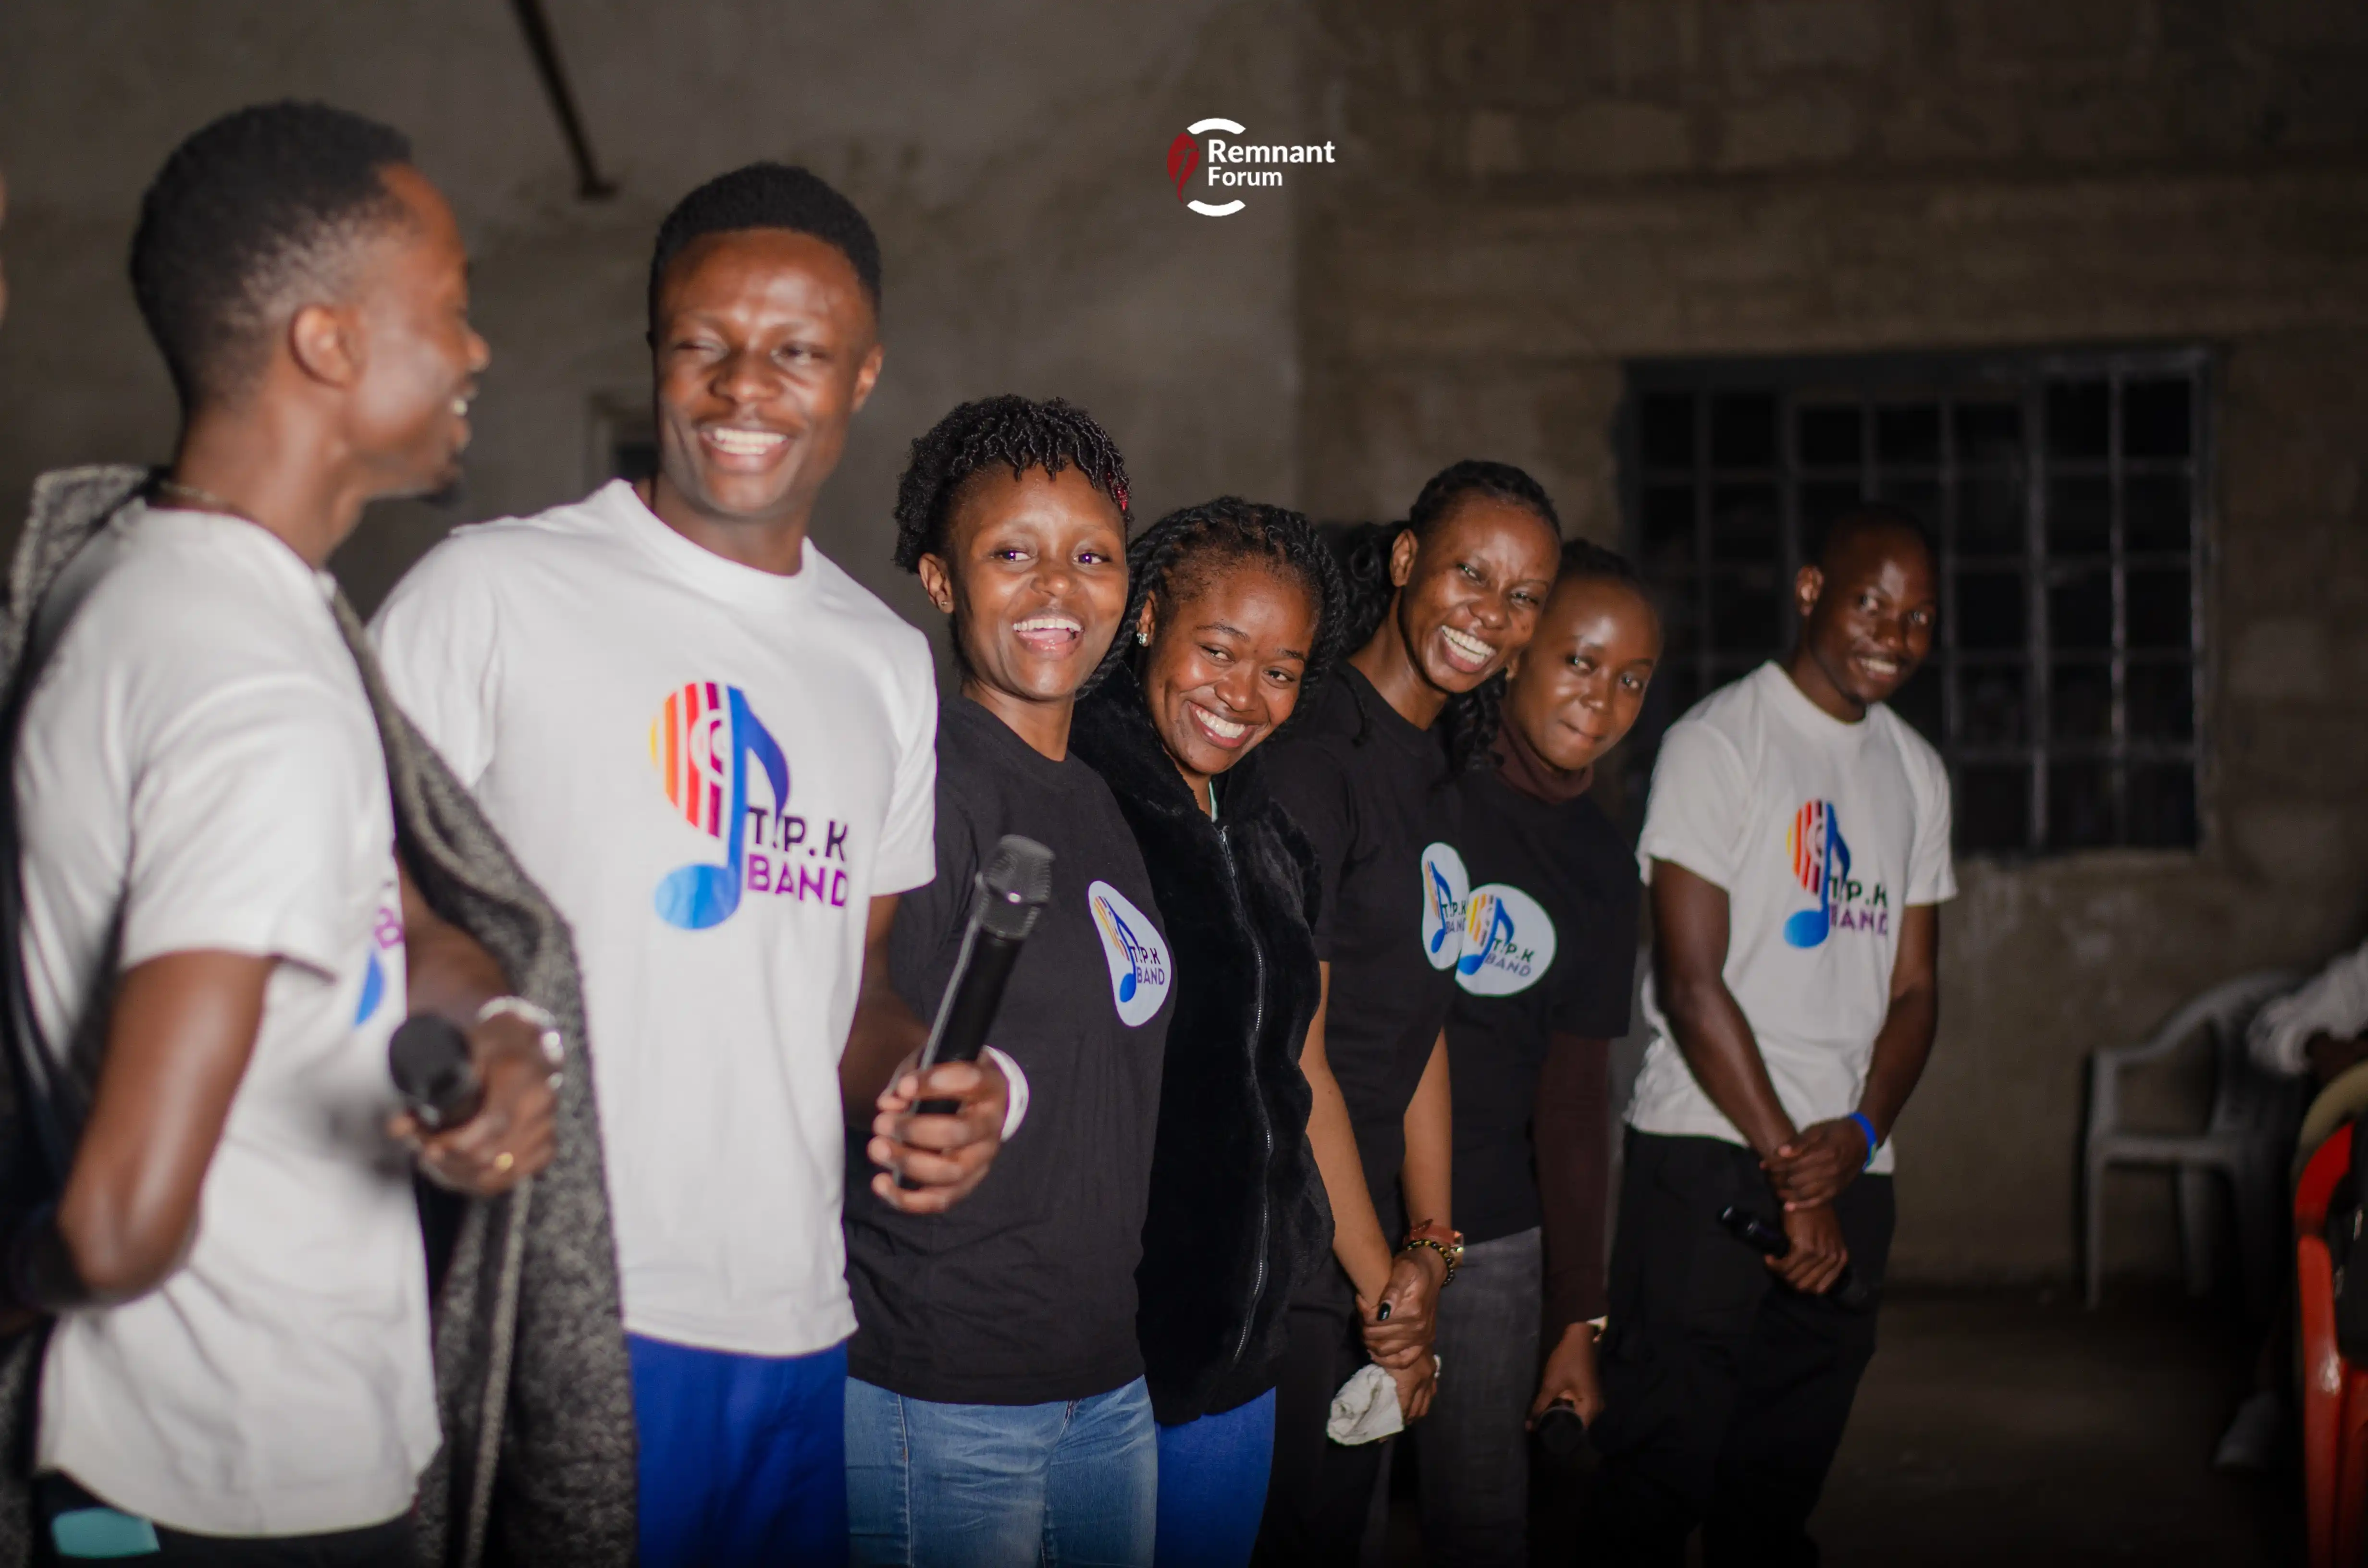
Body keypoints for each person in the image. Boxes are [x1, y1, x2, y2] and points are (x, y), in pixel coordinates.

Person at [373, 163, 1010, 1568]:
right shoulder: (490, 593)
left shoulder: (883, 663)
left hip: (800, 1321)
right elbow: (348, 912)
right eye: (703, 344)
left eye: (798, 352)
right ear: (654, 349)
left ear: (862, 374)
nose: (743, 388)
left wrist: (922, 1085)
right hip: (564, 1300)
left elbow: (855, 981)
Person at [0, 103, 605, 1564]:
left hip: (266, 1463)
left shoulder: (211, 599)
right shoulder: (245, 680)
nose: (474, 350)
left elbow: (403, 919)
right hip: (218, 1491)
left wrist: (492, 1029)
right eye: (448, 309)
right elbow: (118, 1229)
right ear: (328, 345)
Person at [842, 395, 1172, 1568]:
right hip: (949, 1386)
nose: (1057, 589)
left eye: (1091, 556)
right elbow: (854, 1019)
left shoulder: (1097, 798)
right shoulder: (924, 783)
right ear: (940, 581)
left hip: (1106, 1383)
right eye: (1011, 554)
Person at [1592, 505, 1951, 1566]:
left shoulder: (1916, 771)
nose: (1893, 635)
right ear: (1809, 591)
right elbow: (1691, 985)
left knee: (1775, 1495)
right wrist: (1797, 1175)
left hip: (1852, 1165)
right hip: (1710, 1151)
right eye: (1871, 603)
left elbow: (1917, 991)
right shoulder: (1718, 742)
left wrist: (1859, 1133)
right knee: (1655, 1481)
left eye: (1919, 617)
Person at [1245, 462, 1562, 1566]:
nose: (1491, 613)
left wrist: (1429, 1245)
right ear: (1402, 560)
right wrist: (1387, 1282)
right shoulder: (1313, 757)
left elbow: (1422, 1020)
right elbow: (1298, 1053)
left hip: (1369, 1245)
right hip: (1289, 1246)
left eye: (1523, 597)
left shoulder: (1440, 766)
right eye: (1470, 573)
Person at [1067, 499, 1347, 1567]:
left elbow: (1294, 1076)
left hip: (1245, 1351)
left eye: (1280, 671)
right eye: (1219, 651)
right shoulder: (1079, 795)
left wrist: (1371, 1263)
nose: (1243, 695)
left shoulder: (1272, 839)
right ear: (1147, 618)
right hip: (1105, 1354)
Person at [1414, 539, 1661, 1566]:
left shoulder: (1603, 866)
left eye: (1632, 678)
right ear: (1516, 651)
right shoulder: (1424, 790)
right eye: (1580, 661)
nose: (1603, 699)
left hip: (1494, 1244)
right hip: (1352, 1216)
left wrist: (1575, 1318)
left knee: (1479, 1525)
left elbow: (1573, 1105)